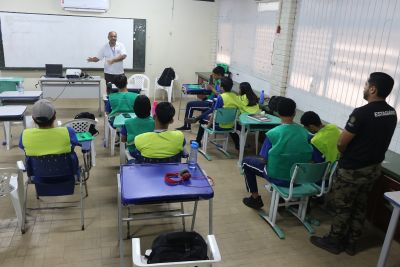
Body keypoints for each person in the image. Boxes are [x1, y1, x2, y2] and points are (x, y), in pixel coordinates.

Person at [310, 72, 397, 256]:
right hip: (373, 169)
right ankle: (351, 242)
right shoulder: (391, 113)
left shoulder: (361, 113)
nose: (364, 88)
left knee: (343, 206)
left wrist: (346, 154)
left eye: (366, 85)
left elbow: (342, 143)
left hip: (352, 170)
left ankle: (334, 241)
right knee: (360, 205)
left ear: (373, 89)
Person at [241, 97, 313, 209]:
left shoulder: (273, 133)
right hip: (299, 177)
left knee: (246, 162)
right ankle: (282, 198)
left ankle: (255, 198)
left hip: (278, 176)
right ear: (294, 113)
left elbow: (263, 158)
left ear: (278, 113)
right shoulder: (305, 133)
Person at [193, 76, 241, 147]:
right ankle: (238, 146)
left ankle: (198, 141)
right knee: (212, 118)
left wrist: (208, 126)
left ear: (221, 87)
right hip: (231, 125)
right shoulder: (235, 96)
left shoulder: (221, 97)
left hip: (219, 125)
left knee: (203, 120)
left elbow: (214, 113)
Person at [176, 66, 226, 131]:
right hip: (210, 100)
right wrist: (210, 85)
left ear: (219, 75)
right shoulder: (218, 80)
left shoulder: (221, 82)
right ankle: (200, 120)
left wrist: (211, 88)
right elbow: (212, 89)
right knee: (202, 98)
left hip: (212, 103)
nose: (213, 75)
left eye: (214, 74)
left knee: (190, 104)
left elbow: (220, 95)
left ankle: (187, 126)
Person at [230, 82, 260, 149]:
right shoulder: (255, 98)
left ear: (241, 90)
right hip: (256, 124)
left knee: (231, 127)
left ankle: (239, 145)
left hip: (246, 124)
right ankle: (242, 143)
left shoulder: (240, 99)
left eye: (239, 89)